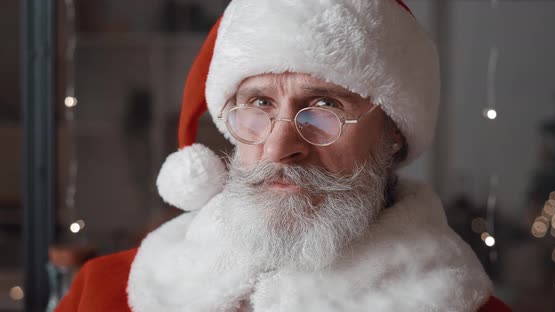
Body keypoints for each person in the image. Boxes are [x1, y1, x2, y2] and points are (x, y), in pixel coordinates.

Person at [56, 0, 512, 311]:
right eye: (259, 104)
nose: (279, 148)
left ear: (393, 133)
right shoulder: (102, 292)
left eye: (326, 106)